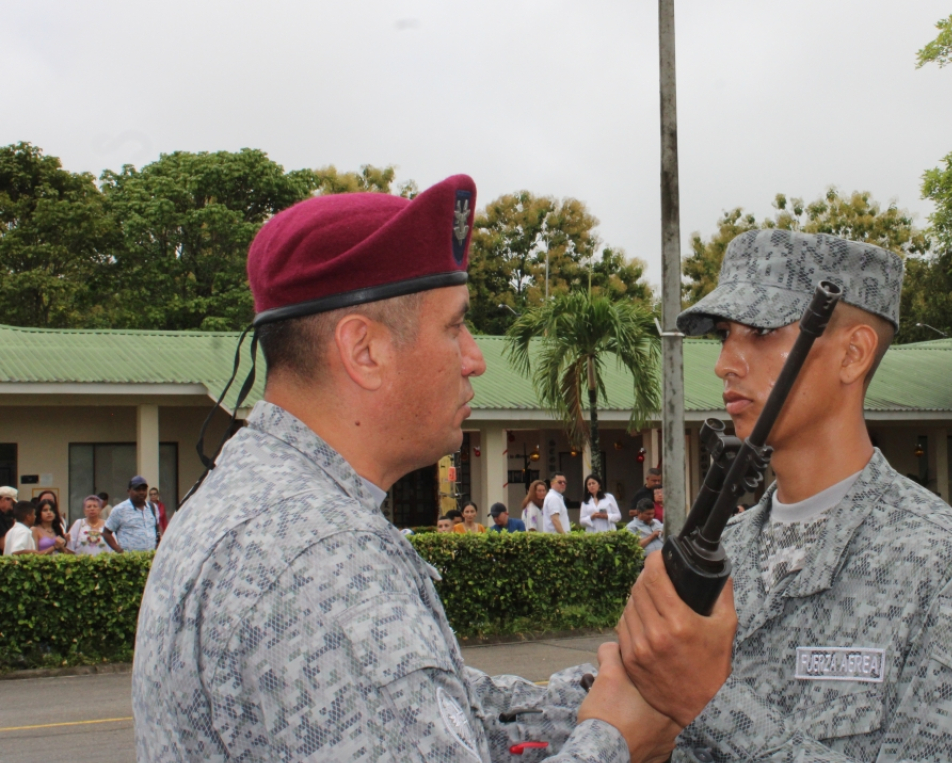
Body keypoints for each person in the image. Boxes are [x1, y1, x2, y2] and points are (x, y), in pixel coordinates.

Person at [132, 177, 694, 762]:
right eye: (454, 327)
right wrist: (617, 743)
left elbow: (445, 711)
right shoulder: (322, 556)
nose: (474, 358)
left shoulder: (257, 498)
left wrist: (616, 688)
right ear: (364, 351)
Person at [616, 229, 952, 761]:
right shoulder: (728, 550)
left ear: (853, 354)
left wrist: (708, 704)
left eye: (761, 332)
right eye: (725, 334)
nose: (726, 363)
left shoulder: (950, 571)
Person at [103, 476, 162, 553]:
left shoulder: (152, 507)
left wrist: (159, 539)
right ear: (128, 491)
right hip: (130, 560)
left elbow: (157, 526)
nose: (141, 492)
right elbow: (106, 533)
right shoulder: (120, 509)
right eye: (137, 489)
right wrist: (118, 550)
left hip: (151, 557)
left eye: (143, 489)